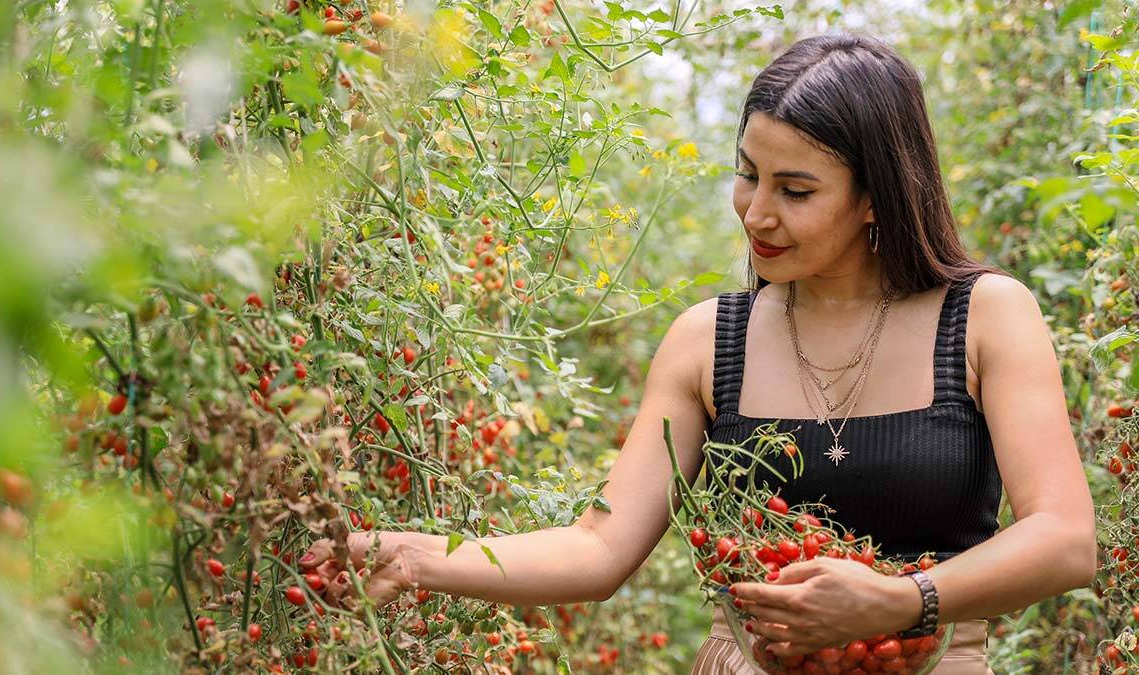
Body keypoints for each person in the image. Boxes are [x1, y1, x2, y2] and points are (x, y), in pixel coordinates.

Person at [316, 33, 1097, 673]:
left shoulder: (985, 316)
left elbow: (1064, 538)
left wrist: (905, 599)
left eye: (796, 190)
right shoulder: (708, 339)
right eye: (747, 174)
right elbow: (597, 547)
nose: (756, 212)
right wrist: (416, 555)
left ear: (875, 196)